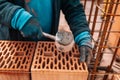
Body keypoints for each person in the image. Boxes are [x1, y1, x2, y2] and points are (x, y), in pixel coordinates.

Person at [0, 0, 93, 65]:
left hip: (46, 43)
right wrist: (19, 18)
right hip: (14, 44)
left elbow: (74, 8)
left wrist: (83, 35)